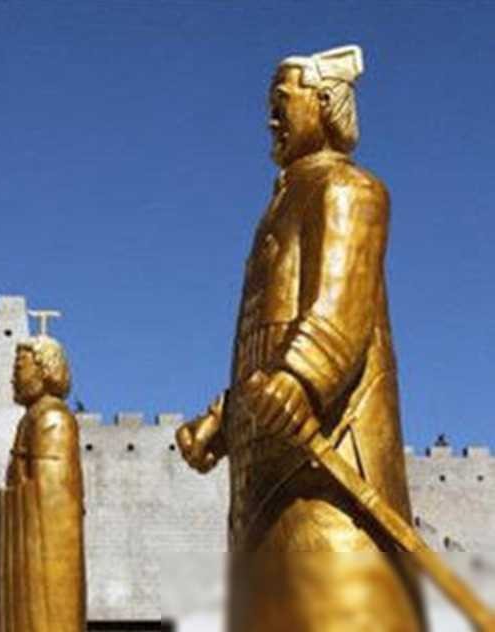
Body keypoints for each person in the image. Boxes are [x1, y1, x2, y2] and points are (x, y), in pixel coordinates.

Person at [175, 45, 425, 631]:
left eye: (282, 103)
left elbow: (339, 311)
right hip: (264, 468)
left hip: (328, 458)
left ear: (325, 103)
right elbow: (266, 344)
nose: (272, 119)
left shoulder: (348, 190)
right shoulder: (279, 208)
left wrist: (301, 378)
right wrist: (225, 418)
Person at [0, 335, 85, 632]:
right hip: (27, 546)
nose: (12, 378)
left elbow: (52, 498)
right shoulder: (30, 420)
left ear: (44, 370)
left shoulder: (53, 419)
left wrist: (9, 496)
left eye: (19, 367)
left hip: (44, 554)